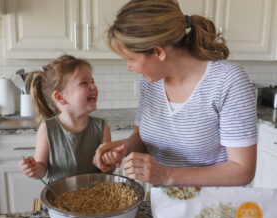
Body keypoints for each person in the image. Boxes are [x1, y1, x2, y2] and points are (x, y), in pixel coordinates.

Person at [93, 0, 257, 187]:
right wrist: (121, 149)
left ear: (158, 52)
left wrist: (166, 175)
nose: (129, 67)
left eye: (131, 59)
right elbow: (141, 139)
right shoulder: (151, 83)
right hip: (163, 204)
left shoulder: (228, 81)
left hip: (213, 209)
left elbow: (242, 170)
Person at [20, 55, 115, 184]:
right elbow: (41, 170)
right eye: (84, 83)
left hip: (96, 200)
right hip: (59, 200)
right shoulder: (47, 130)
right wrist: (33, 169)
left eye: (92, 82)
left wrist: (110, 163)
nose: (93, 86)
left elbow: (108, 172)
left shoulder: (102, 127)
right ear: (60, 97)